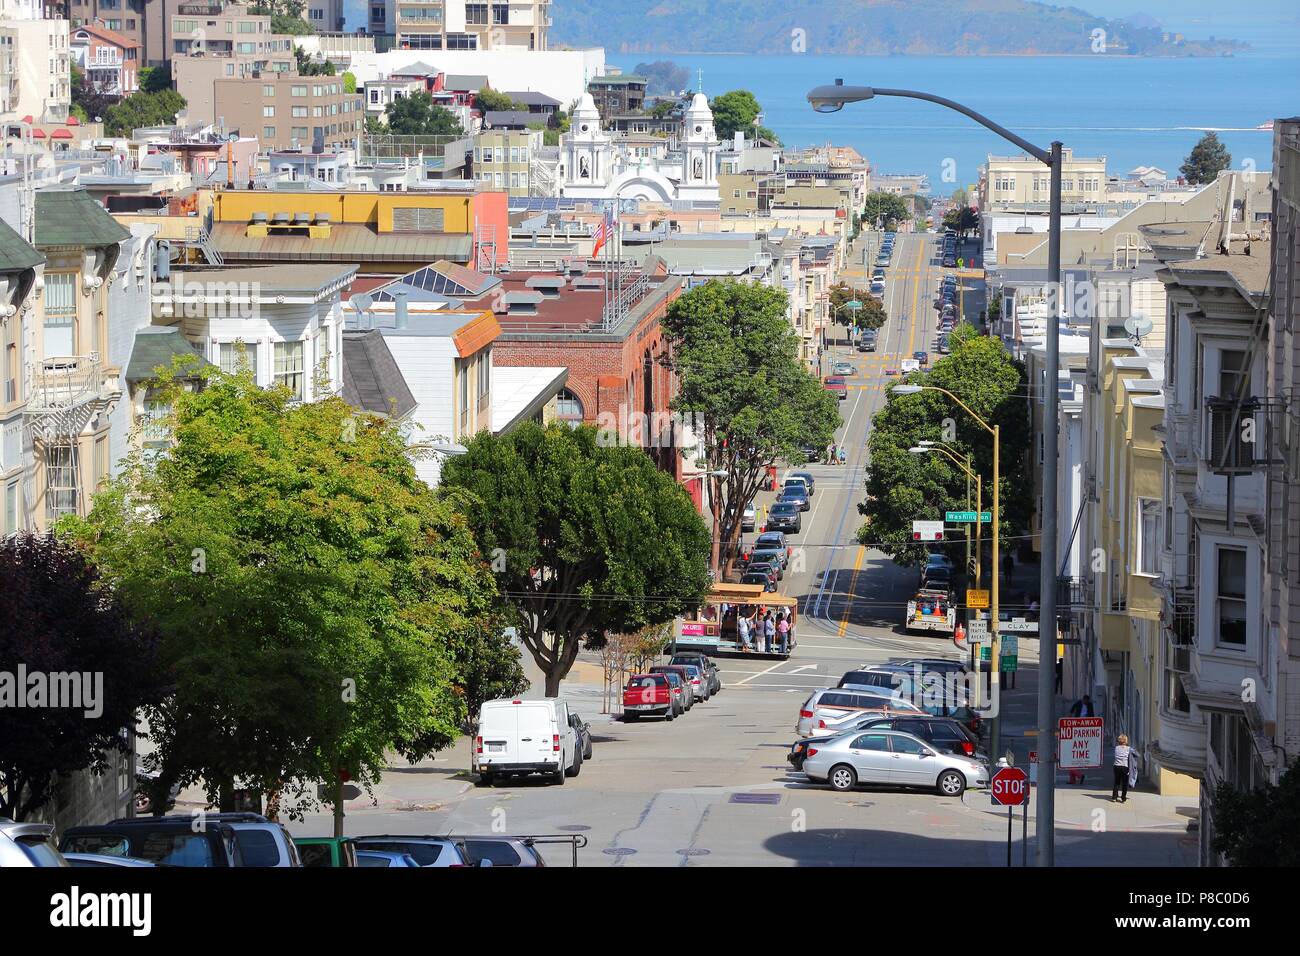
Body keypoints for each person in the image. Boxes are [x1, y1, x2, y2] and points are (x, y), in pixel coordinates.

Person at [1112, 734, 1133, 802]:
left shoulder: (1116, 748)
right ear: (1126, 741)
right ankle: (1123, 797)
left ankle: (1114, 797)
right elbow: (1137, 754)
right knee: (1124, 783)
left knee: (1116, 782)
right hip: (1124, 767)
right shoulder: (1129, 748)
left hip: (1116, 766)